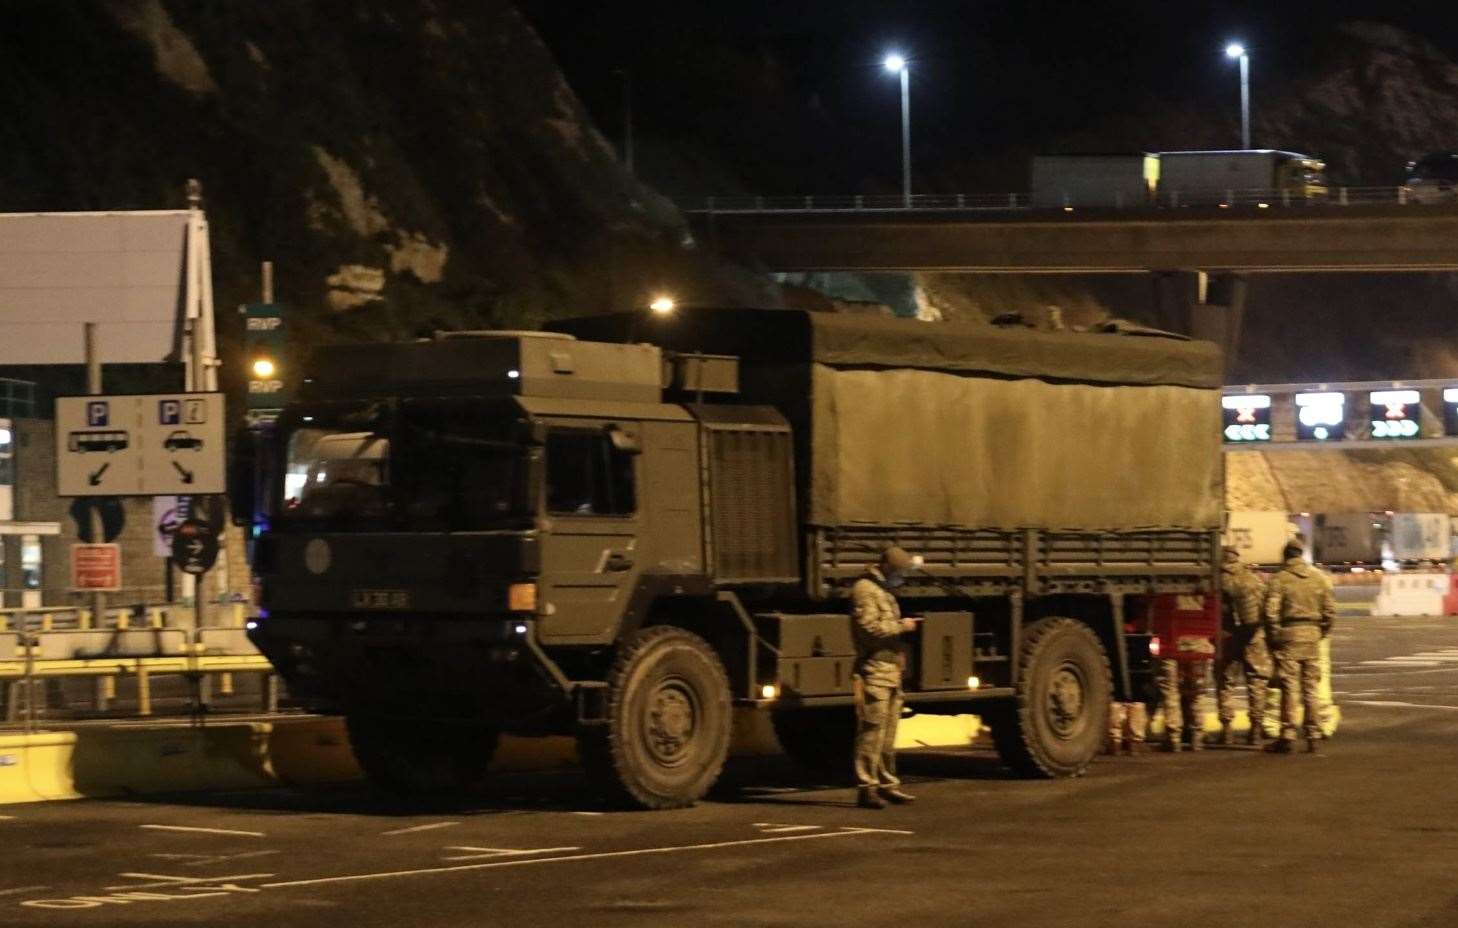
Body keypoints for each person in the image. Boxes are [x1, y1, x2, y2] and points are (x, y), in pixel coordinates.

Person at [850, 546, 921, 809]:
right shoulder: (865, 590)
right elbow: (869, 629)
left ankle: (887, 783)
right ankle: (866, 787)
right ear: (888, 568)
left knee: (888, 735)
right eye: (900, 572)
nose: (902, 578)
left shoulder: (885, 592)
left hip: (890, 671)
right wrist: (902, 627)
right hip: (875, 671)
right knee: (872, 732)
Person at [1264, 541, 1336, 753]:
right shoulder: (1319, 579)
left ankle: (1287, 734)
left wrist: (1275, 637)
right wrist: (1320, 633)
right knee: (1311, 687)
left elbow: (1270, 613)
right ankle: (1313, 734)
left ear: (1285, 556)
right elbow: (1330, 611)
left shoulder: (1279, 579)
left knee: (1289, 687)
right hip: (1312, 637)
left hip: (1289, 636)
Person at [1215, 546, 1272, 746]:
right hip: (1253, 636)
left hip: (1227, 637)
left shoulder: (1216, 580)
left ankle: (1227, 730)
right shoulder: (1252, 578)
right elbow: (1266, 607)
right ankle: (1255, 730)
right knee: (1256, 683)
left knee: (1225, 683)